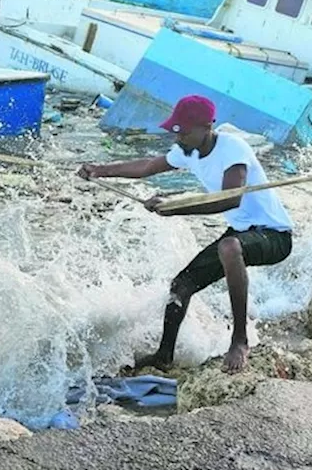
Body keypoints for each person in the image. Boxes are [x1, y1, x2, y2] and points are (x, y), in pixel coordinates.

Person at [78, 95, 295, 374]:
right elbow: (147, 167)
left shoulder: (233, 149)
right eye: (175, 131)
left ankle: (240, 340)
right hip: (242, 233)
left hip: (274, 236)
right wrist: (100, 170)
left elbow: (230, 199)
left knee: (229, 247)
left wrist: (175, 208)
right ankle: (164, 356)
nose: (178, 138)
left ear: (207, 127)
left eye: (184, 132)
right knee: (181, 286)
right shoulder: (187, 151)